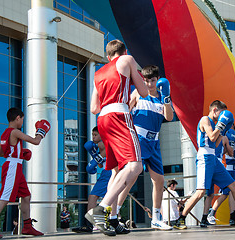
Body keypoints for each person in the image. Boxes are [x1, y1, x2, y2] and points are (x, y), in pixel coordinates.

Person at [86, 39, 148, 236]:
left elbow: (94, 108)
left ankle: (112, 219)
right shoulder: (128, 59)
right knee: (135, 166)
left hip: (102, 118)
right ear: (124, 51)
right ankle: (101, 209)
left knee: (115, 171)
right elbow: (144, 91)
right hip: (119, 115)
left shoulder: (98, 72)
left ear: (108, 56)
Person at [173, 100, 235, 230]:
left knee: (234, 185)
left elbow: (215, 144)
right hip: (204, 158)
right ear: (214, 110)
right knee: (201, 192)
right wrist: (221, 126)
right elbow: (212, 137)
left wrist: (223, 131)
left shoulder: (215, 124)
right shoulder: (205, 120)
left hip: (213, 158)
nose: (222, 116)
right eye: (221, 113)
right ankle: (181, 219)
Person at [129, 65, 174, 230]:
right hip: (139, 139)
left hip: (154, 142)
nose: (148, 84)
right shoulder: (138, 93)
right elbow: (126, 111)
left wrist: (167, 98)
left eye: (152, 80)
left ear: (157, 79)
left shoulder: (163, 97)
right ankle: (114, 215)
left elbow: (169, 118)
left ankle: (156, 218)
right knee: (130, 178)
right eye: (146, 80)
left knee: (159, 180)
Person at [0, 107, 50, 238]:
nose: (22, 122)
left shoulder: (5, 133)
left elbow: (0, 153)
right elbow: (35, 141)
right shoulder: (15, 132)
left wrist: (19, 153)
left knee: (26, 196)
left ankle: (27, 227)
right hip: (13, 167)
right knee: (4, 198)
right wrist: (41, 131)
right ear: (18, 118)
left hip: (14, 166)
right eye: (22, 119)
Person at [73, 127, 129, 234]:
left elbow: (98, 161)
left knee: (93, 196)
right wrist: (94, 154)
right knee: (110, 197)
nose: (93, 137)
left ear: (102, 135)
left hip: (109, 172)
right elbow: (100, 164)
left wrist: (94, 159)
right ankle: (113, 221)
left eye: (95, 135)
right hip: (108, 171)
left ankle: (90, 225)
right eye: (92, 135)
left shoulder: (102, 143)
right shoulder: (101, 145)